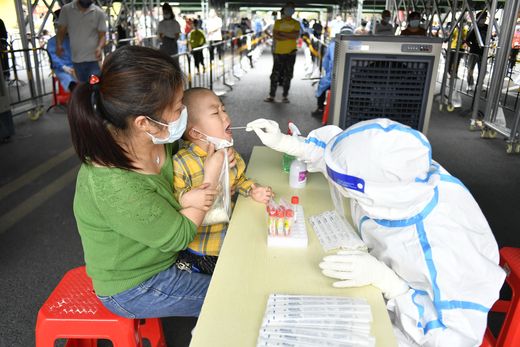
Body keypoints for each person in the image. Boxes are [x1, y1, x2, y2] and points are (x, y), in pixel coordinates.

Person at [246, 117, 505, 346]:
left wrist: (392, 286)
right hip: (379, 274)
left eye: (346, 186)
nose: (337, 185)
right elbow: (341, 161)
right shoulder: (400, 173)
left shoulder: (444, 245)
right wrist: (289, 144)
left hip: (414, 325)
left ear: (372, 191)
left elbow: (452, 339)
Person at [68, 45, 225, 318]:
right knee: (233, 296)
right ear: (144, 122)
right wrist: (210, 176)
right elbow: (179, 235)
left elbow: (180, 172)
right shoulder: (115, 184)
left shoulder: (152, 138)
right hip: (137, 285)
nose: (185, 112)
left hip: (165, 257)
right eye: (178, 107)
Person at [172, 88, 273, 274]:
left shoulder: (229, 153)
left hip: (228, 237)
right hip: (203, 249)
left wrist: (252, 189)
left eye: (224, 110)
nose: (225, 117)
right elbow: (175, 199)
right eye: (215, 113)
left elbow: (240, 179)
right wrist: (186, 198)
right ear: (195, 132)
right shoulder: (182, 162)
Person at [57, 0, 107, 83]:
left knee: (94, 86)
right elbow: (61, 30)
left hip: (93, 60)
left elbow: (103, 36)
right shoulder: (67, 10)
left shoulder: (99, 13)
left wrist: (99, 47)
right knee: (82, 87)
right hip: (76, 60)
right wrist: (58, 45)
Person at [264, 2, 300, 103]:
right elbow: (276, 36)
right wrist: (289, 34)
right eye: (288, 8)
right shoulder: (278, 22)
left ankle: (285, 96)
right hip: (279, 52)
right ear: (285, 10)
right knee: (275, 74)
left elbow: (295, 36)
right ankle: (272, 95)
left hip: (291, 52)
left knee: (288, 74)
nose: (290, 10)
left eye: (292, 8)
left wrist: (282, 35)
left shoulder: (296, 23)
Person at [47, 10, 77, 92]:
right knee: (71, 83)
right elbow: (53, 58)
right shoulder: (52, 42)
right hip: (61, 69)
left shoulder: (72, 39)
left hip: (75, 66)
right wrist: (64, 67)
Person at [465, 11, 488, 92]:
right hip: (474, 52)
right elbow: (467, 40)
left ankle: (480, 85)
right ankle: (470, 84)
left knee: (483, 71)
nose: (484, 19)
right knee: (470, 69)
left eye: (485, 18)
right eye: (482, 18)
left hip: (483, 53)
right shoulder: (474, 27)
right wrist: (473, 47)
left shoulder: (487, 27)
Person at [312, 39, 335, 117]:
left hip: (333, 75)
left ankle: (320, 109)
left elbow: (327, 63)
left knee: (322, 86)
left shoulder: (333, 45)